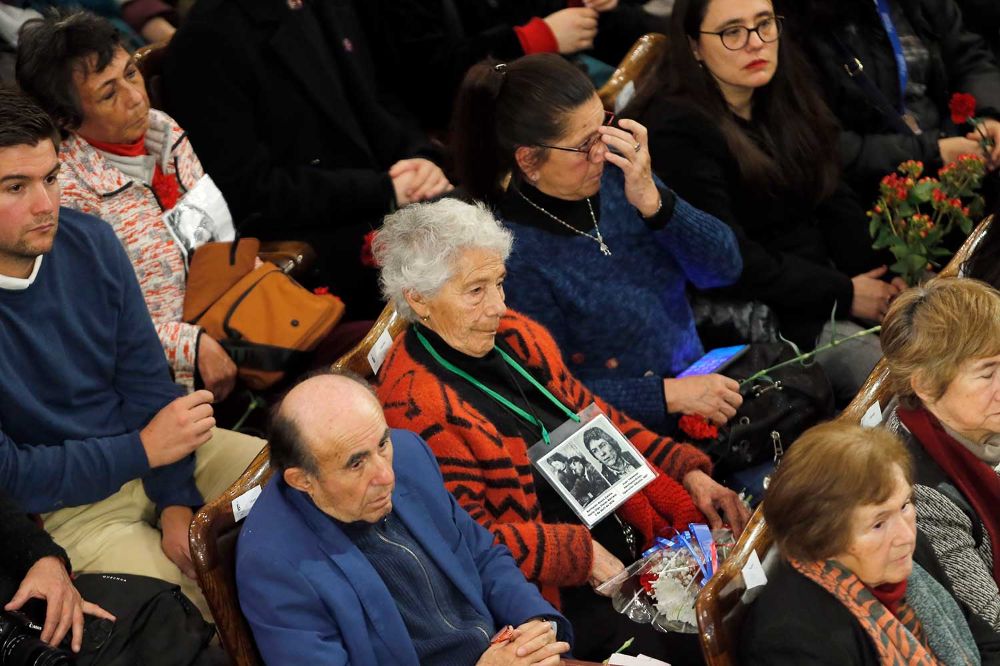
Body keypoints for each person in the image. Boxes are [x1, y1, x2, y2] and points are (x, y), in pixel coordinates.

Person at [373, 197, 748, 662]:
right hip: (558, 592)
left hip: (630, 531)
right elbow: (466, 541)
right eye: (476, 291)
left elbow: (596, 416)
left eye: (500, 282)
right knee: (699, 643)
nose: (499, 306)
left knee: (743, 590)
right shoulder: (416, 406)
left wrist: (685, 469)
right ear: (419, 299)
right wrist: (578, 553)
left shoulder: (514, 334)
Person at [0, 87, 264, 618]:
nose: (46, 205)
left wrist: (174, 499)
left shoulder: (91, 241)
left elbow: (146, 382)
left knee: (307, 479)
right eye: (16, 187)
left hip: (160, 452)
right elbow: (10, 476)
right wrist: (143, 452)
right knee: (184, 612)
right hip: (67, 505)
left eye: (51, 178)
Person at [15, 10, 365, 398]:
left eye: (131, 74)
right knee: (341, 393)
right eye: (109, 94)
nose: (136, 98)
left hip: (240, 325)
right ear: (65, 119)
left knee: (370, 349)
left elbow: (218, 241)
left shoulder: (164, 131)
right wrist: (190, 345)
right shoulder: (66, 196)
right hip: (168, 379)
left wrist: (273, 302)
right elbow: (93, 324)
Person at [450, 53, 746, 433]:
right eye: (585, 145)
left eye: (603, 128)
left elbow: (725, 270)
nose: (602, 152)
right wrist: (666, 395)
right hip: (622, 434)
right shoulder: (513, 253)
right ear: (529, 161)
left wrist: (656, 204)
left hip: (701, 384)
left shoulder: (619, 177)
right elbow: (552, 395)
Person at [626, 0, 897, 401]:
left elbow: (831, 191)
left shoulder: (783, 89)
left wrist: (882, 278)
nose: (755, 43)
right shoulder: (676, 129)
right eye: (732, 32)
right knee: (880, 370)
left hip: (820, 283)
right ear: (694, 46)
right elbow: (733, 262)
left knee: (939, 326)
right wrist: (845, 293)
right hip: (757, 312)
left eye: (764, 24)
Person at [236, 371, 572, 666]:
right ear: (302, 480)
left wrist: (535, 625)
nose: (386, 475)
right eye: (356, 464)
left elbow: (483, 554)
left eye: (383, 444)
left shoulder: (409, 454)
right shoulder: (273, 565)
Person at [162, 0, 452, 319]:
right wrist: (381, 190)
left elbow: (381, 99)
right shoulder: (206, 40)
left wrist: (419, 159)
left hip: (384, 197)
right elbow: (248, 190)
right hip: (315, 235)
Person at [741, 420, 1000, 664]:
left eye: (905, 505)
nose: (906, 536)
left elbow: (984, 641)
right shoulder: (794, 640)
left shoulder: (912, 553)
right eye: (878, 524)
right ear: (821, 537)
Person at [879, 277, 1000, 630]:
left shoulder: (977, 418)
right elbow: (991, 621)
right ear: (927, 386)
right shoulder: (919, 497)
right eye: (987, 374)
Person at [785, 0, 1000, 198]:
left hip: (963, 160)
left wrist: (988, 117)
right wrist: (933, 153)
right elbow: (824, 146)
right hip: (875, 194)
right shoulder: (797, 26)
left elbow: (970, 60)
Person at [366, 0, 665, 131]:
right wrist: (530, 40)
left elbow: (585, 26)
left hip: (555, 90)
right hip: (481, 119)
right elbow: (428, 77)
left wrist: (585, 6)